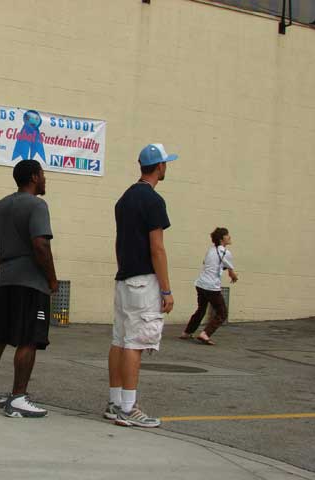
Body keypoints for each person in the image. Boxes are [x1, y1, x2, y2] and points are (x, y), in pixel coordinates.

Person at [0, 159, 58, 418]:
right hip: (31, 283)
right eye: (43, 174)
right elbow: (41, 244)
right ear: (34, 177)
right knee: (29, 339)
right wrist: (52, 279)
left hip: (6, 282)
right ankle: (18, 398)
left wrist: (0, 263)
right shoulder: (37, 205)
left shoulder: (2, 204)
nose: (45, 179)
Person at [104, 143, 177, 428]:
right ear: (159, 166)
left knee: (119, 340)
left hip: (124, 278)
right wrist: (166, 290)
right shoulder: (153, 201)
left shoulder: (124, 200)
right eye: (165, 163)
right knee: (135, 343)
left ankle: (115, 402)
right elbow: (157, 248)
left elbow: (119, 242)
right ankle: (128, 407)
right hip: (144, 282)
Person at [180, 227, 238, 345]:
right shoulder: (226, 253)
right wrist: (234, 277)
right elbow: (231, 272)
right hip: (212, 287)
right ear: (221, 239)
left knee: (201, 310)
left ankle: (187, 332)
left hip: (201, 284)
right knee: (222, 313)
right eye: (227, 235)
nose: (229, 237)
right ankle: (205, 334)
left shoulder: (211, 250)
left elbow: (207, 263)